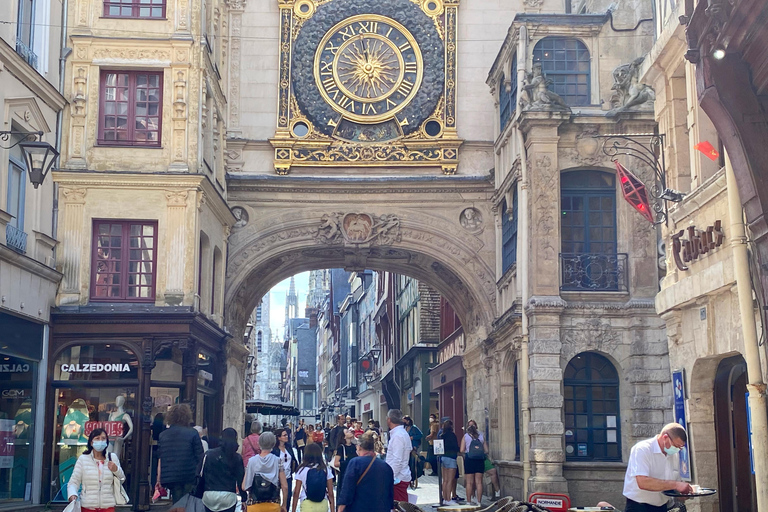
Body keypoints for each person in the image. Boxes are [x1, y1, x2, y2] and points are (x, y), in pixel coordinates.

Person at [623, 423, 692, 512]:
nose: (677, 449)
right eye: (676, 446)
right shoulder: (642, 449)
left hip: (662, 506)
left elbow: (673, 484)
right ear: (665, 437)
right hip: (639, 506)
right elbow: (642, 482)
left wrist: (683, 493)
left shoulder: (674, 455)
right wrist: (676, 485)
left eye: (680, 447)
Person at [67, 428, 127, 512]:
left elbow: (122, 479)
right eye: (97, 438)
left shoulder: (112, 458)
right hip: (87, 507)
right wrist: (72, 494)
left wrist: (116, 470)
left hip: (108, 507)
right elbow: (74, 482)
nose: (100, 441)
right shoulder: (83, 459)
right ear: (91, 442)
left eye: (103, 438)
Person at [158, 404, 204, 503]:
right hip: (189, 474)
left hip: (171, 476)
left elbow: (161, 458)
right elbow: (200, 456)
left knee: (177, 500)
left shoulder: (163, 435)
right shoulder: (193, 433)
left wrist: (159, 478)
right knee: (188, 502)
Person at [337, 432, 394, 512]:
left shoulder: (355, 463)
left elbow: (347, 490)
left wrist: (340, 508)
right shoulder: (386, 466)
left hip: (359, 507)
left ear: (359, 447)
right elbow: (390, 494)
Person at [201, 428, 245, 512]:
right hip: (228, 496)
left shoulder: (209, 454)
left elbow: (202, 475)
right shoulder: (236, 457)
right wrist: (243, 498)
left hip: (209, 494)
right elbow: (240, 480)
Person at [243, 432, 289, 512]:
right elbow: (285, 486)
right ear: (273, 444)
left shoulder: (252, 461)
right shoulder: (278, 461)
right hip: (273, 505)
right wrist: (284, 505)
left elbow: (244, 486)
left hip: (254, 505)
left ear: (259, 443)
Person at [291, 443, 334, 512]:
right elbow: (331, 493)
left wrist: (293, 509)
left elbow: (296, 493)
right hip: (322, 504)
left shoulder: (302, 470)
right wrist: (332, 509)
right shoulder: (326, 470)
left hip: (307, 504)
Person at [466, 419, 501, 500]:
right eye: (470, 425)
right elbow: (486, 450)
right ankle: (474, 497)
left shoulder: (479, 435)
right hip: (479, 458)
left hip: (478, 459)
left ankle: (496, 491)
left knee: (491, 472)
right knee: (475, 479)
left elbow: (462, 449)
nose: (472, 427)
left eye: (473, 425)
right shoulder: (470, 436)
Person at [385, 409, 412, 502]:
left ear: (389, 419)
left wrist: (390, 477)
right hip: (399, 477)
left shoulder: (398, 436)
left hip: (398, 479)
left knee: (398, 506)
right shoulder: (400, 433)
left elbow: (397, 460)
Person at [459, 422, 488, 505]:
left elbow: (461, 450)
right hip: (479, 460)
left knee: (469, 482)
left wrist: (468, 451)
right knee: (479, 482)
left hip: (469, 459)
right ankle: (479, 501)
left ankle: (468, 501)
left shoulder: (466, 436)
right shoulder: (481, 436)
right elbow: (486, 450)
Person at [272, 429, 298, 512]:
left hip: (288, 476)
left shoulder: (289, 447)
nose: (287, 437)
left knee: (288, 496)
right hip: (276, 477)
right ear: (279, 437)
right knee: (276, 497)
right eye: (284, 435)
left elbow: (293, 459)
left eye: (287, 435)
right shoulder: (274, 450)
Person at [438, 419, 460, 506]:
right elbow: (455, 447)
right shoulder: (452, 435)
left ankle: (444, 498)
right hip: (451, 458)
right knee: (450, 480)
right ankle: (448, 499)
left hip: (443, 458)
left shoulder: (442, 435)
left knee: (445, 480)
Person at [333, 428, 357, 496]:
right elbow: (336, 463)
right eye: (347, 431)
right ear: (344, 436)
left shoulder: (354, 446)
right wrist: (348, 462)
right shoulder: (341, 447)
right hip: (344, 474)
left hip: (353, 473)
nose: (350, 431)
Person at [151, 413, 165, 488]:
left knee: (154, 469)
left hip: (153, 448)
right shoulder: (164, 429)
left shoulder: (152, 427)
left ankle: (154, 485)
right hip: (162, 449)